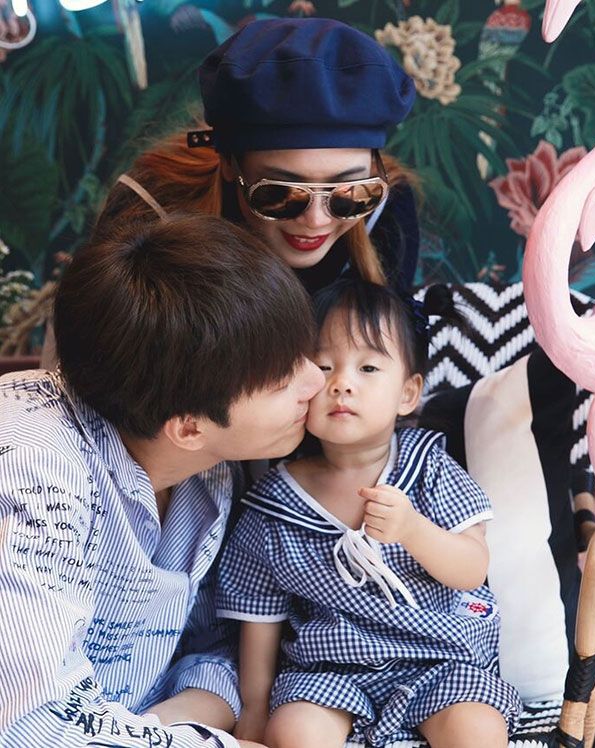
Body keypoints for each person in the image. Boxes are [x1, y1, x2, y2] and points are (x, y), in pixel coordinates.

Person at [0, 214, 324, 748]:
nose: (316, 380)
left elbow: (213, 648)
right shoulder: (32, 474)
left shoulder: (206, 466)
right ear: (188, 427)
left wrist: (174, 721)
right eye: (283, 378)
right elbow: (31, 724)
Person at [215, 278, 522, 748]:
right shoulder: (275, 504)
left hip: (439, 661)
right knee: (292, 731)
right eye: (324, 366)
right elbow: (260, 618)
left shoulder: (428, 467)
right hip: (329, 671)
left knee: (478, 730)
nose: (341, 383)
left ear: (408, 393)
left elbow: (472, 569)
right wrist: (255, 710)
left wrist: (413, 529)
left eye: (368, 368)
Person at [98, 17, 421, 297]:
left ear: (374, 168)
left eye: (347, 194)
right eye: (281, 194)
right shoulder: (150, 214)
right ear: (228, 161)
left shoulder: (388, 212)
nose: (316, 221)